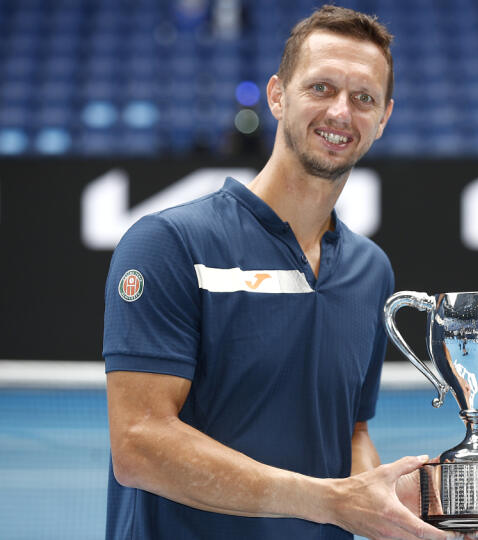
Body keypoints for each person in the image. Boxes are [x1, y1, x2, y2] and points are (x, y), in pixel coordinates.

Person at [102, 6, 454, 540]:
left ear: (383, 119)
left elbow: (351, 434)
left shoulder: (371, 272)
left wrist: (388, 505)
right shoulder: (169, 243)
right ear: (277, 95)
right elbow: (140, 444)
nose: (341, 111)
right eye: (321, 88)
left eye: (364, 98)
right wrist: (331, 502)